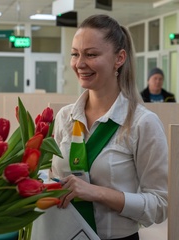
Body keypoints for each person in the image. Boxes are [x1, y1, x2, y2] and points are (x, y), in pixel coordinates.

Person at [50, 14, 168, 240]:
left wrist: (97, 193)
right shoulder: (65, 117)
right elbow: (56, 178)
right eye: (75, 54)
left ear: (119, 58)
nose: (80, 63)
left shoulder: (142, 123)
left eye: (91, 54)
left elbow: (160, 205)